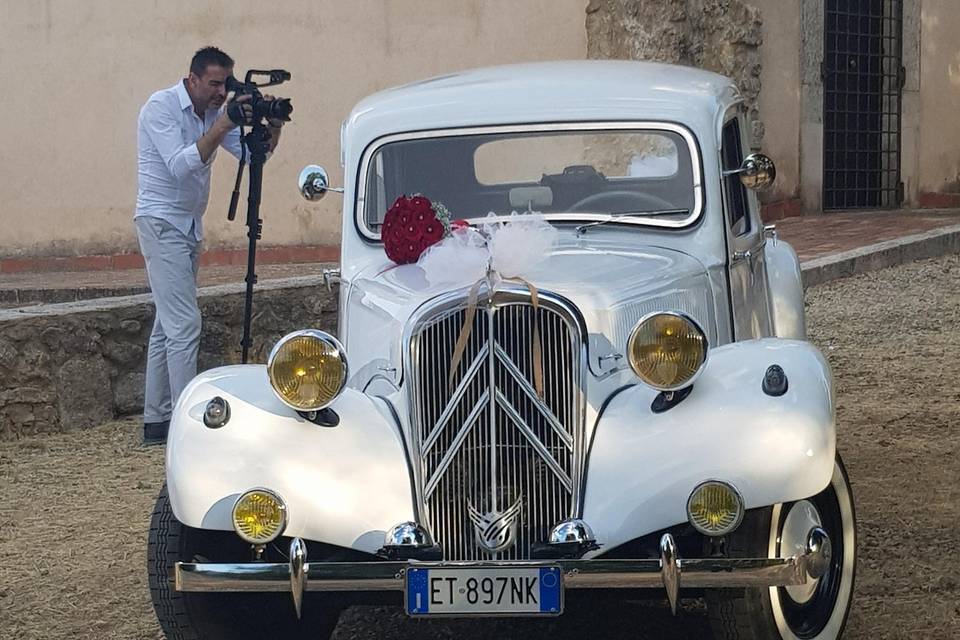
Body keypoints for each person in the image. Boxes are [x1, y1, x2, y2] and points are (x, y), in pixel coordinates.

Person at [134, 46, 283, 445]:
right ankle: (189, 428)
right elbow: (181, 166)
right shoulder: (160, 108)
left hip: (187, 226)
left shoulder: (215, 111)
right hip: (161, 221)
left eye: (226, 84)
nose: (221, 93)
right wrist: (223, 124)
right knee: (184, 326)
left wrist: (273, 123)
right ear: (193, 79)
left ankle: (157, 420)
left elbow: (256, 158)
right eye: (215, 84)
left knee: (168, 326)